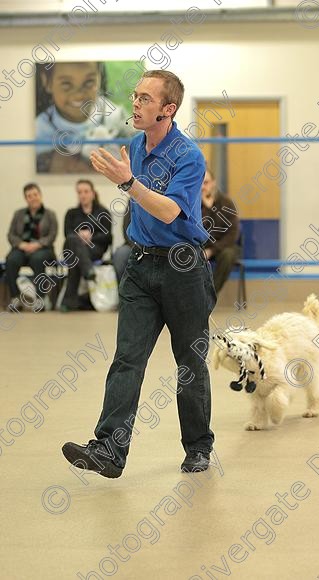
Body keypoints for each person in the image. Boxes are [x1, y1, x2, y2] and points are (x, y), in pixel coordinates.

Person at [62, 70, 217, 477]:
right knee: (127, 359)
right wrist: (129, 182)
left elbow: (168, 210)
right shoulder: (134, 144)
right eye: (134, 95)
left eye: (145, 98)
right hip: (141, 266)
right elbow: (142, 204)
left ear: (168, 110)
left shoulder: (189, 156)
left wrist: (127, 181)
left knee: (190, 362)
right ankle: (109, 451)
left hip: (183, 269)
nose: (135, 103)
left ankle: (199, 446)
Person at [35, 61, 136, 174]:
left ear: (100, 77)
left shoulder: (118, 118)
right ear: (47, 82)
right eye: (66, 84)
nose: (79, 94)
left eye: (89, 82)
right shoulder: (39, 130)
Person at [60, 179, 112, 312]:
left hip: (94, 248)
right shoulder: (71, 213)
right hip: (72, 248)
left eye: (86, 191)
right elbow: (67, 234)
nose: (82, 195)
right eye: (79, 192)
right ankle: (88, 270)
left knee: (75, 259)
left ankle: (68, 302)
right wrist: (80, 238)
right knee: (73, 239)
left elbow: (107, 237)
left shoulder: (103, 212)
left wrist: (91, 237)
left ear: (93, 193)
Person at [6, 183, 57, 310]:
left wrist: (38, 244)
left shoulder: (50, 214)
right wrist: (21, 244)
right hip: (22, 248)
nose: (33, 198)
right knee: (11, 260)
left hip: (43, 249)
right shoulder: (19, 214)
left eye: (35, 194)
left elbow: (52, 235)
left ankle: (40, 299)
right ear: (26, 199)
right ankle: (15, 298)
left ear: (40, 195)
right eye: (29, 196)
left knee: (38, 259)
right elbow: (11, 235)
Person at [201, 167, 240, 293]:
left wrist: (212, 250)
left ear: (213, 183)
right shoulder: (192, 203)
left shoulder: (226, 203)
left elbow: (233, 234)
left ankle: (211, 294)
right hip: (200, 246)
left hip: (221, 246)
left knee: (228, 255)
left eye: (206, 182)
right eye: (200, 182)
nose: (203, 187)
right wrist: (206, 208)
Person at [112, 200, 133, 281]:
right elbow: (126, 227)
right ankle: (121, 290)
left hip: (151, 247)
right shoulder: (133, 201)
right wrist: (134, 246)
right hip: (132, 244)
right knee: (120, 255)